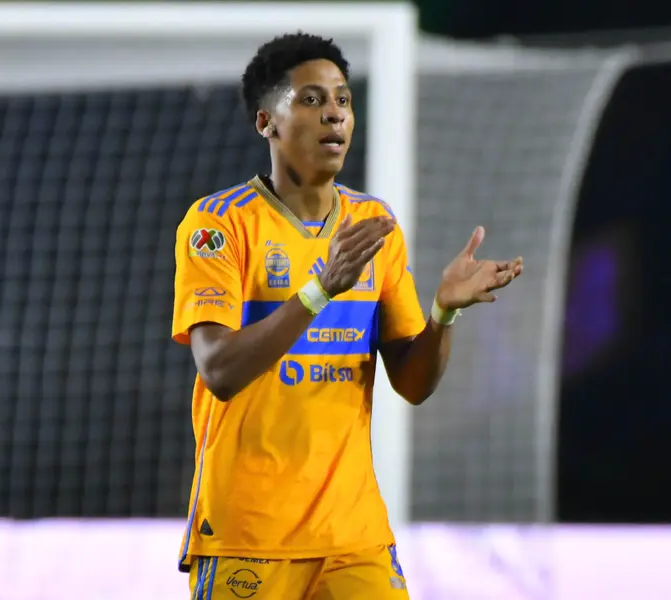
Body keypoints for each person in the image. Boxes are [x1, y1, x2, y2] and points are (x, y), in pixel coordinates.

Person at [171, 32, 524, 599]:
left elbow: (412, 384)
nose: (334, 113)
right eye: (311, 100)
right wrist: (319, 291)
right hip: (249, 532)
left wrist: (443, 314)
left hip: (354, 536)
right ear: (266, 122)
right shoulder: (218, 225)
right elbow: (219, 370)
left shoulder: (373, 225)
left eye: (343, 99)